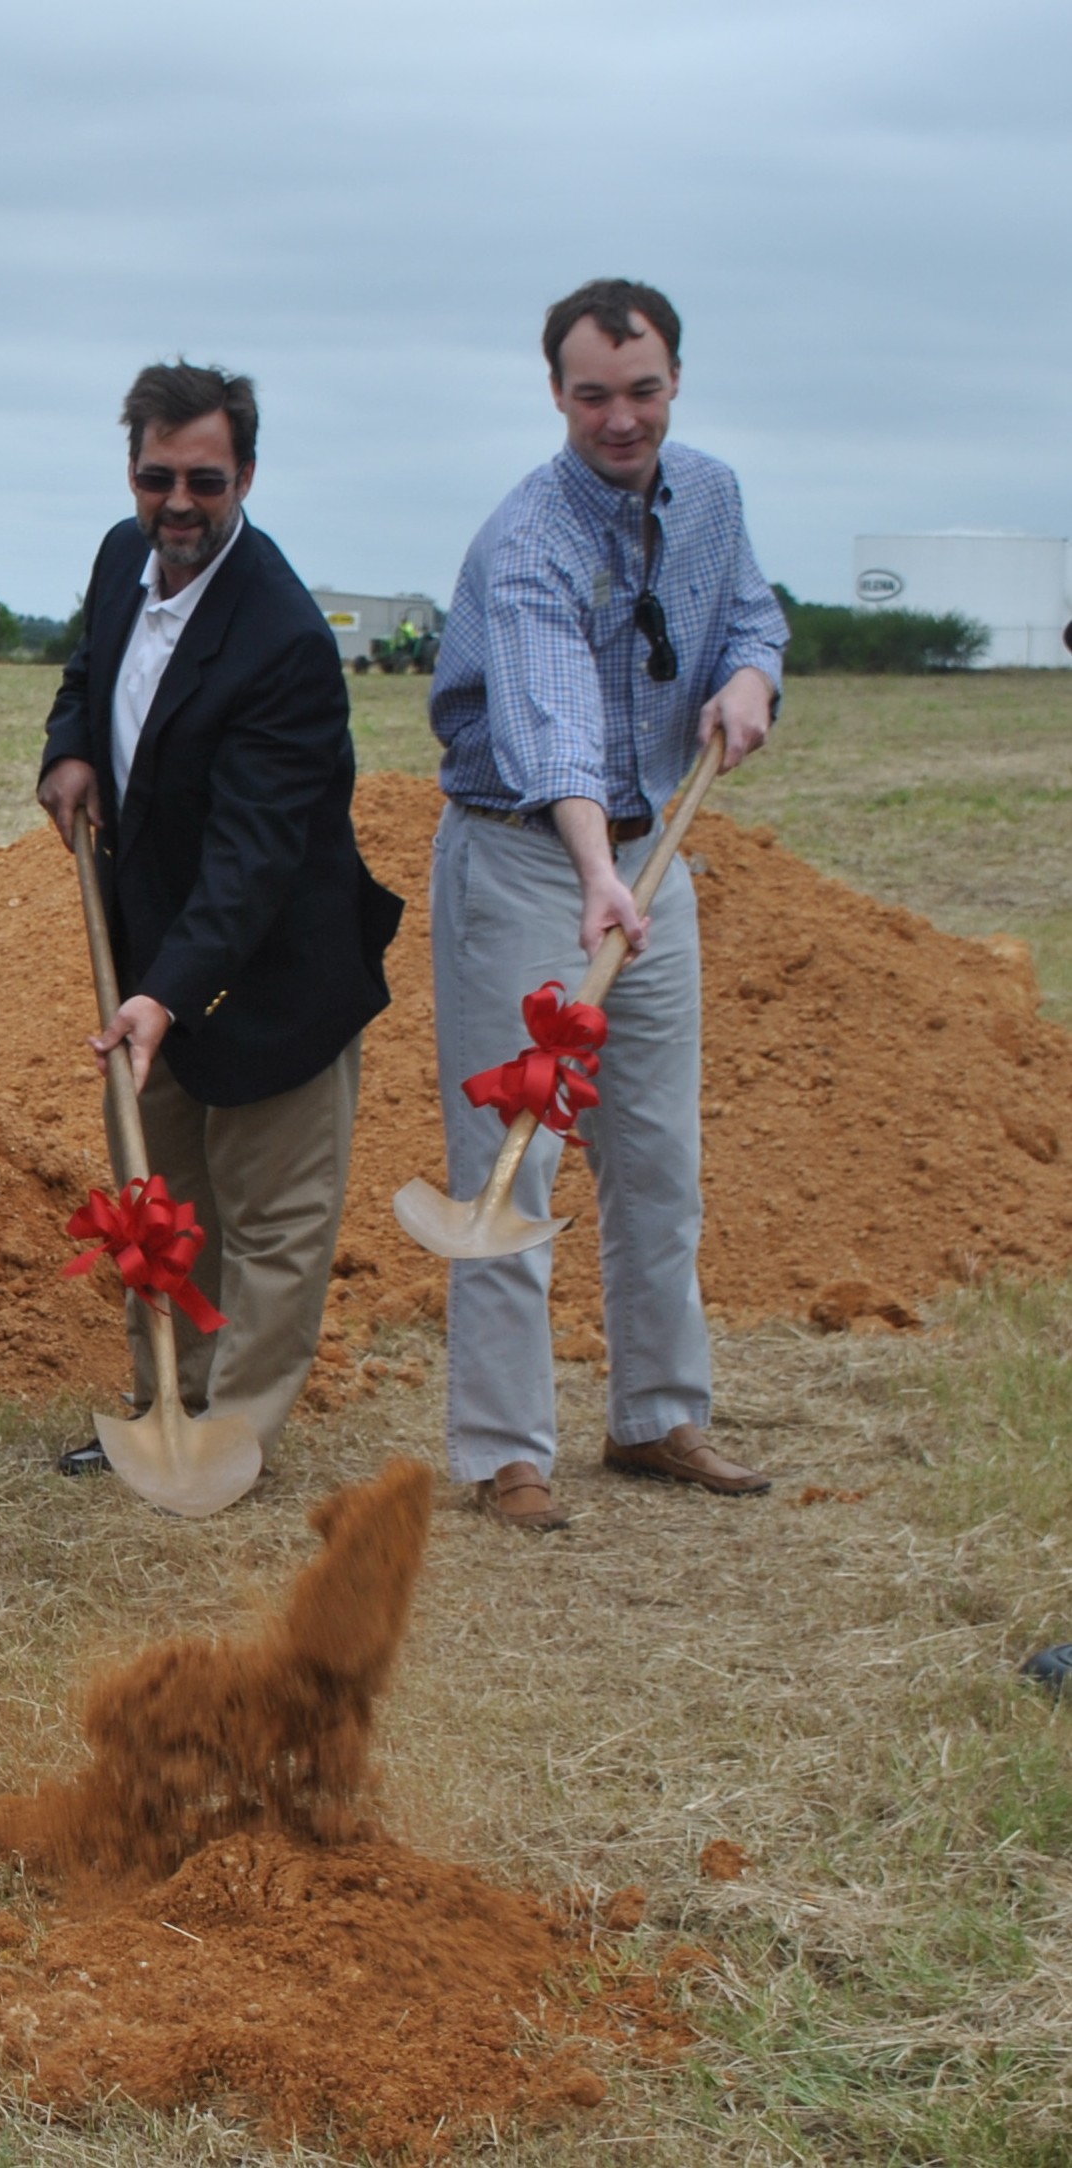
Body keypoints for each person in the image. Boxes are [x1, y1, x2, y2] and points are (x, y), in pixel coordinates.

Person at [430, 278, 786, 1530]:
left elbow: (752, 614)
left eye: (641, 391)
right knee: (511, 1155)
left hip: (652, 856)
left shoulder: (714, 496)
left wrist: (751, 677)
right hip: (527, 857)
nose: (620, 418)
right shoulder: (528, 538)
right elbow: (553, 728)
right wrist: (594, 875)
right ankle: (504, 1453)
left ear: (674, 380)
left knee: (656, 1153)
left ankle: (656, 1415)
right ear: (556, 394)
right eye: (592, 396)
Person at [36, 362, 403, 1482]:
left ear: (246, 474)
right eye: (158, 478)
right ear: (131, 471)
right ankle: (166, 1406)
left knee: (273, 1223)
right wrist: (70, 748)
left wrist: (164, 991)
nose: (179, 503)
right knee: (165, 1201)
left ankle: (228, 1443)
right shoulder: (121, 555)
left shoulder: (281, 637)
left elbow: (255, 858)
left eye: (205, 479)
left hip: (279, 973)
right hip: (156, 950)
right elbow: (89, 669)